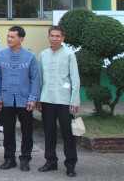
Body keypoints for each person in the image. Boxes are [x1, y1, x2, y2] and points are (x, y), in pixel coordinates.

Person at [0, 26, 40, 172]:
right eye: (8, 36)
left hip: (24, 100)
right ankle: (9, 159)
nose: (9, 39)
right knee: (8, 131)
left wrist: (32, 98)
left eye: (12, 37)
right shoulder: (1, 55)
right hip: (6, 99)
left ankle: (25, 159)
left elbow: (35, 79)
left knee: (27, 131)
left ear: (21, 39)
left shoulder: (30, 56)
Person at [37, 26, 80, 178]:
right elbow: (40, 79)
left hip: (65, 101)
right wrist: (39, 99)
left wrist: (74, 101)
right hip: (47, 100)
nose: (54, 39)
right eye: (52, 36)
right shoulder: (43, 55)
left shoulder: (69, 54)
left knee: (67, 134)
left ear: (63, 38)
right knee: (49, 133)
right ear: (48, 37)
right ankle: (51, 161)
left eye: (57, 36)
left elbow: (75, 79)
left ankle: (70, 164)